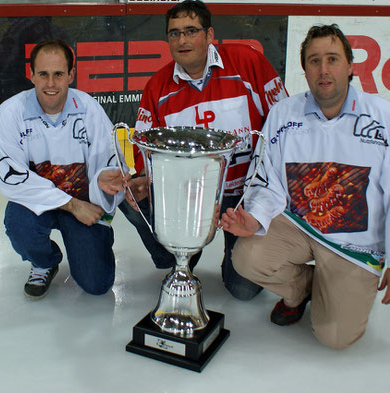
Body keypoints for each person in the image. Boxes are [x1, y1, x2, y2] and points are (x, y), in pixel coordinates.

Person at [220, 24, 390, 349]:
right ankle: (303, 288)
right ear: (305, 68)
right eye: (314, 61)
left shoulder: (383, 119)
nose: (323, 70)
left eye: (332, 59)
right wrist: (254, 217)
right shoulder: (284, 114)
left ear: (351, 66)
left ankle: (332, 289)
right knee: (247, 257)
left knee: (335, 338)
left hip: (353, 246)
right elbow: (266, 178)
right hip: (300, 228)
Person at [121, 0, 288, 300]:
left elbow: (282, 125)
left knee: (244, 289)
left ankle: (234, 252)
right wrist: (143, 180)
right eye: (174, 34)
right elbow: (143, 149)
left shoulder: (248, 62)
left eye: (190, 31)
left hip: (246, 194)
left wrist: (267, 197)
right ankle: (179, 255)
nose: (182, 40)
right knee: (125, 194)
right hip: (190, 196)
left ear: (209, 34)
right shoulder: (157, 86)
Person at [0, 39, 126, 300]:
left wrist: (106, 180)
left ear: (71, 75)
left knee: (97, 284)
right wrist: (72, 204)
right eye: (43, 74)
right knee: (18, 223)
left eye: (58, 74)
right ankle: (45, 261)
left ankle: (96, 240)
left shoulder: (89, 108)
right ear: (31, 75)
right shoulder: (10, 113)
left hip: (84, 205)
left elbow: (109, 163)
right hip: (46, 204)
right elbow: (12, 179)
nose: (51, 83)